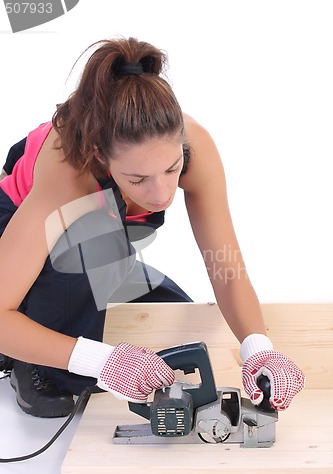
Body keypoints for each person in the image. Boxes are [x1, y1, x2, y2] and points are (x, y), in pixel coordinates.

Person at [0, 37, 305, 418]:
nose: (161, 194)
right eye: (138, 178)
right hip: (20, 224)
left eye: (172, 170)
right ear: (101, 156)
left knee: (179, 336)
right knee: (86, 255)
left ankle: (96, 281)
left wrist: (259, 348)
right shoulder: (68, 172)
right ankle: (32, 363)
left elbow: (225, 266)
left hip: (104, 237)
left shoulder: (196, 147)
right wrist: (101, 361)